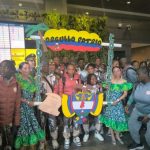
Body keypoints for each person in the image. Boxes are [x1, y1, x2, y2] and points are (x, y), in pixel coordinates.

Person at [15, 62, 45, 149]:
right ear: (20, 70)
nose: (27, 70)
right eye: (24, 68)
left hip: (31, 107)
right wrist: (27, 102)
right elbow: (16, 96)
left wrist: (35, 99)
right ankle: (24, 146)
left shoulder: (31, 78)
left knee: (32, 125)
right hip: (22, 107)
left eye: (28, 68)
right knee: (25, 127)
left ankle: (32, 145)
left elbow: (36, 92)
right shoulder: (17, 79)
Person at [99, 66, 132, 145]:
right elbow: (103, 87)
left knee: (118, 121)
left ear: (120, 71)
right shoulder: (110, 81)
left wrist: (117, 101)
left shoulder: (124, 81)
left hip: (118, 103)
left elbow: (125, 94)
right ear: (112, 72)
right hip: (110, 103)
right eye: (114, 71)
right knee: (110, 121)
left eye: (117, 70)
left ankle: (117, 136)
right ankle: (113, 137)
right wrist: (107, 89)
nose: (116, 72)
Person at [54, 64, 81, 149]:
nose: (71, 71)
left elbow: (80, 89)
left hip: (76, 103)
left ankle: (76, 136)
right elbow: (60, 92)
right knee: (67, 122)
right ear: (67, 70)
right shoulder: (63, 79)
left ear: (74, 70)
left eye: (72, 69)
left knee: (76, 121)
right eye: (69, 69)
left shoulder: (78, 78)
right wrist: (66, 100)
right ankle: (67, 138)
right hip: (67, 103)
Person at [0, 60, 21, 150]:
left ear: (11, 70)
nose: (2, 69)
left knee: (10, 144)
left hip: (10, 123)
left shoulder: (16, 84)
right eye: (1, 67)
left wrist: (16, 122)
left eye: (5, 67)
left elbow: (17, 105)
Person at [128, 67, 150, 150]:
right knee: (132, 125)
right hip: (138, 110)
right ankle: (137, 144)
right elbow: (133, 95)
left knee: (148, 136)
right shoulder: (137, 84)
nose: (136, 76)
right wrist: (128, 104)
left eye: (138, 74)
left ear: (145, 74)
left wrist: (148, 116)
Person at [82, 74, 104, 143]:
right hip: (87, 106)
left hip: (97, 106)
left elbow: (101, 95)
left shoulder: (99, 86)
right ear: (89, 80)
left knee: (99, 117)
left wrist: (98, 90)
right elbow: (83, 97)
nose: (94, 80)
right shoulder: (85, 86)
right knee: (85, 118)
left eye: (95, 78)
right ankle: (86, 133)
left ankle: (97, 133)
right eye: (92, 79)